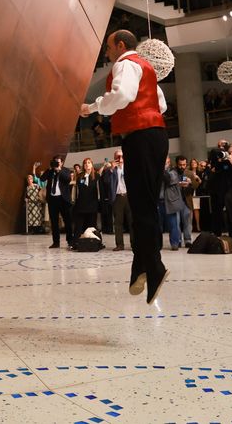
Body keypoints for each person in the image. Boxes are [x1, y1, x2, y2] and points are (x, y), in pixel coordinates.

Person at [80, 30, 170, 304]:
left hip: (139, 137)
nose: (107, 53)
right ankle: (140, 265)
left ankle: (153, 266)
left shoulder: (125, 64)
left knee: (141, 207)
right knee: (147, 204)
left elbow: (121, 96)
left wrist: (94, 107)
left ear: (121, 45)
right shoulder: (147, 68)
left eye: (109, 47)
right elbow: (161, 105)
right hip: (156, 135)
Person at [100, 151, 131, 251]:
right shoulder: (111, 169)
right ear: (114, 158)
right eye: (117, 156)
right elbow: (106, 181)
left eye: (121, 156)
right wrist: (111, 169)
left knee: (132, 221)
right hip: (117, 197)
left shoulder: (130, 166)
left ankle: (134, 244)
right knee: (118, 223)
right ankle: (119, 245)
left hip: (129, 196)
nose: (120, 158)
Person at [41, 156, 72, 249]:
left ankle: (70, 241)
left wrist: (59, 170)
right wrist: (49, 169)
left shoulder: (66, 170)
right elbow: (42, 179)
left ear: (62, 163)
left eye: (58, 162)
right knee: (54, 222)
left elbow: (68, 179)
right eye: (54, 162)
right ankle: (56, 242)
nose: (56, 164)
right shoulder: (50, 171)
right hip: (52, 200)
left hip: (63, 199)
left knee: (67, 221)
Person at [73, 158, 101, 243]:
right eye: (85, 163)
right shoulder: (80, 176)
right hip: (81, 205)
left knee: (91, 225)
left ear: (92, 165)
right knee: (78, 226)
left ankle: (93, 243)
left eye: (89, 163)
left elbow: (99, 191)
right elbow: (77, 192)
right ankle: (75, 243)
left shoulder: (96, 176)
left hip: (92, 205)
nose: (87, 164)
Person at [160, 158, 185, 251]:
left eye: (164, 162)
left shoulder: (173, 172)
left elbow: (168, 179)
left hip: (170, 201)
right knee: (158, 225)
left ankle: (174, 243)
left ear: (169, 163)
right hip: (159, 201)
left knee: (173, 224)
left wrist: (162, 169)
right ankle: (158, 244)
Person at [181, 157, 201, 234]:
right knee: (189, 211)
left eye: (194, 163)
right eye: (192, 163)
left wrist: (197, 179)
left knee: (195, 210)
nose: (193, 164)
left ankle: (197, 226)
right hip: (188, 193)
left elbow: (196, 184)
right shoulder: (187, 172)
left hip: (195, 192)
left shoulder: (198, 172)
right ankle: (191, 227)